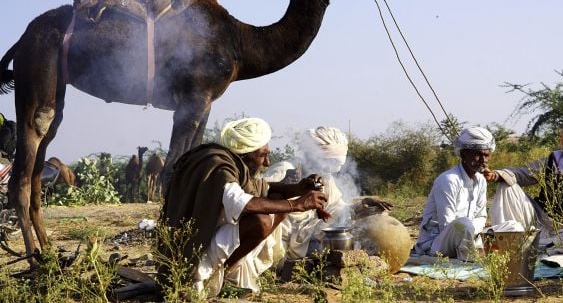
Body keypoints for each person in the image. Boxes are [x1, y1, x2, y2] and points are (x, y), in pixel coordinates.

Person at [158, 117, 328, 296]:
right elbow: (243, 203)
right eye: (263, 155)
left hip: (209, 238)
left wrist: (298, 188)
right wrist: (297, 204)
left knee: (277, 202)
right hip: (194, 255)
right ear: (245, 155)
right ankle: (214, 279)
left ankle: (224, 274)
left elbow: (264, 188)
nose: (267, 163)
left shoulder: (231, 163)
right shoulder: (219, 167)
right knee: (260, 221)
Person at [264, 126, 392, 261]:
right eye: (330, 161)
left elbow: (337, 210)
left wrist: (363, 205)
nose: (333, 168)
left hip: (307, 238)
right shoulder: (285, 170)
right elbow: (256, 201)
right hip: (279, 245)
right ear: (315, 156)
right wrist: (285, 188)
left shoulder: (325, 178)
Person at [484, 120, 563, 237]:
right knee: (507, 185)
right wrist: (497, 175)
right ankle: (506, 240)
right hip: (541, 220)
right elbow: (523, 173)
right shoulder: (553, 161)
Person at [412, 127, 494, 261]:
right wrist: (469, 233)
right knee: (463, 223)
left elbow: (481, 216)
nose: (483, 160)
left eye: (486, 155)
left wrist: (473, 235)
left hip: (470, 238)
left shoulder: (480, 181)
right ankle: (471, 260)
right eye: (478, 154)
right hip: (437, 243)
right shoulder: (448, 180)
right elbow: (447, 224)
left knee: (511, 227)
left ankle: (474, 254)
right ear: (464, 155)